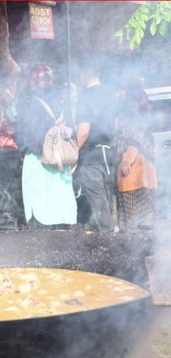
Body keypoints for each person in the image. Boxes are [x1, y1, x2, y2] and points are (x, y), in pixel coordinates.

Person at [16, 63, 77, 229]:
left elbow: (25, 133)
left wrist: (24, 147)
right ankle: (67, 228)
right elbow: (71, 126)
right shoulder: (61, 99)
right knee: (61, 195)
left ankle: (44, 234)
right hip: (59, 156)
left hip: (38, 158)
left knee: (40, 198)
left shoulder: (29, 103)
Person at [75, 59, 119, 232]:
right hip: (109, 155)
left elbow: (84, 131)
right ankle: (107, 234)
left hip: (91, 157)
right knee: (107, 199)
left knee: (99, 202)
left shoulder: (85, 96)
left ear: (84, 74)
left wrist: (73, 151)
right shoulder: (111, 94)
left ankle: (109, 246)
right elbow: (115, 125)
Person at [116, 82, 157, 232]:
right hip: (143, 165)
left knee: (133, 212)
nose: (118, 94)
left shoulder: (131, 113)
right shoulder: (141, 112)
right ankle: (146, 246)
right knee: (146, 214)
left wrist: (126, 160)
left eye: (121, 91)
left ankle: (135, 246)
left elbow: (135, 139)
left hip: (134, 165)